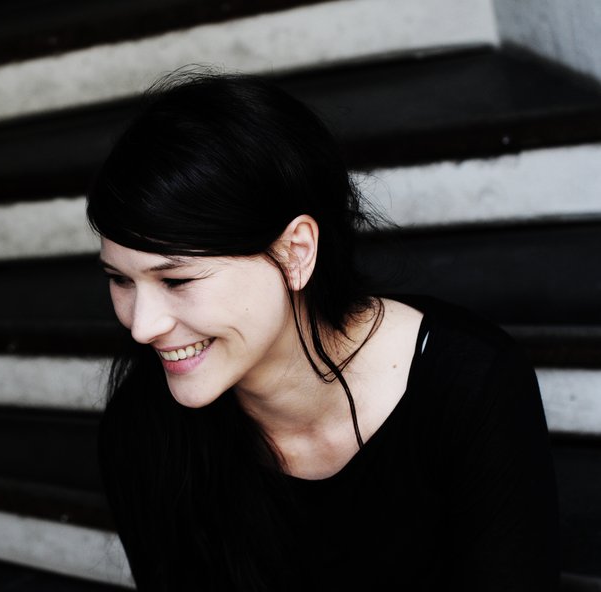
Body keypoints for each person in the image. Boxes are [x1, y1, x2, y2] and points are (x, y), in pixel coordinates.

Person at [85, 69, 560, 592]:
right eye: (120, 279)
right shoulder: (144, 427)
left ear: (296, 252)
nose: (142, 327)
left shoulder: (470, 385)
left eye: (176, 280)